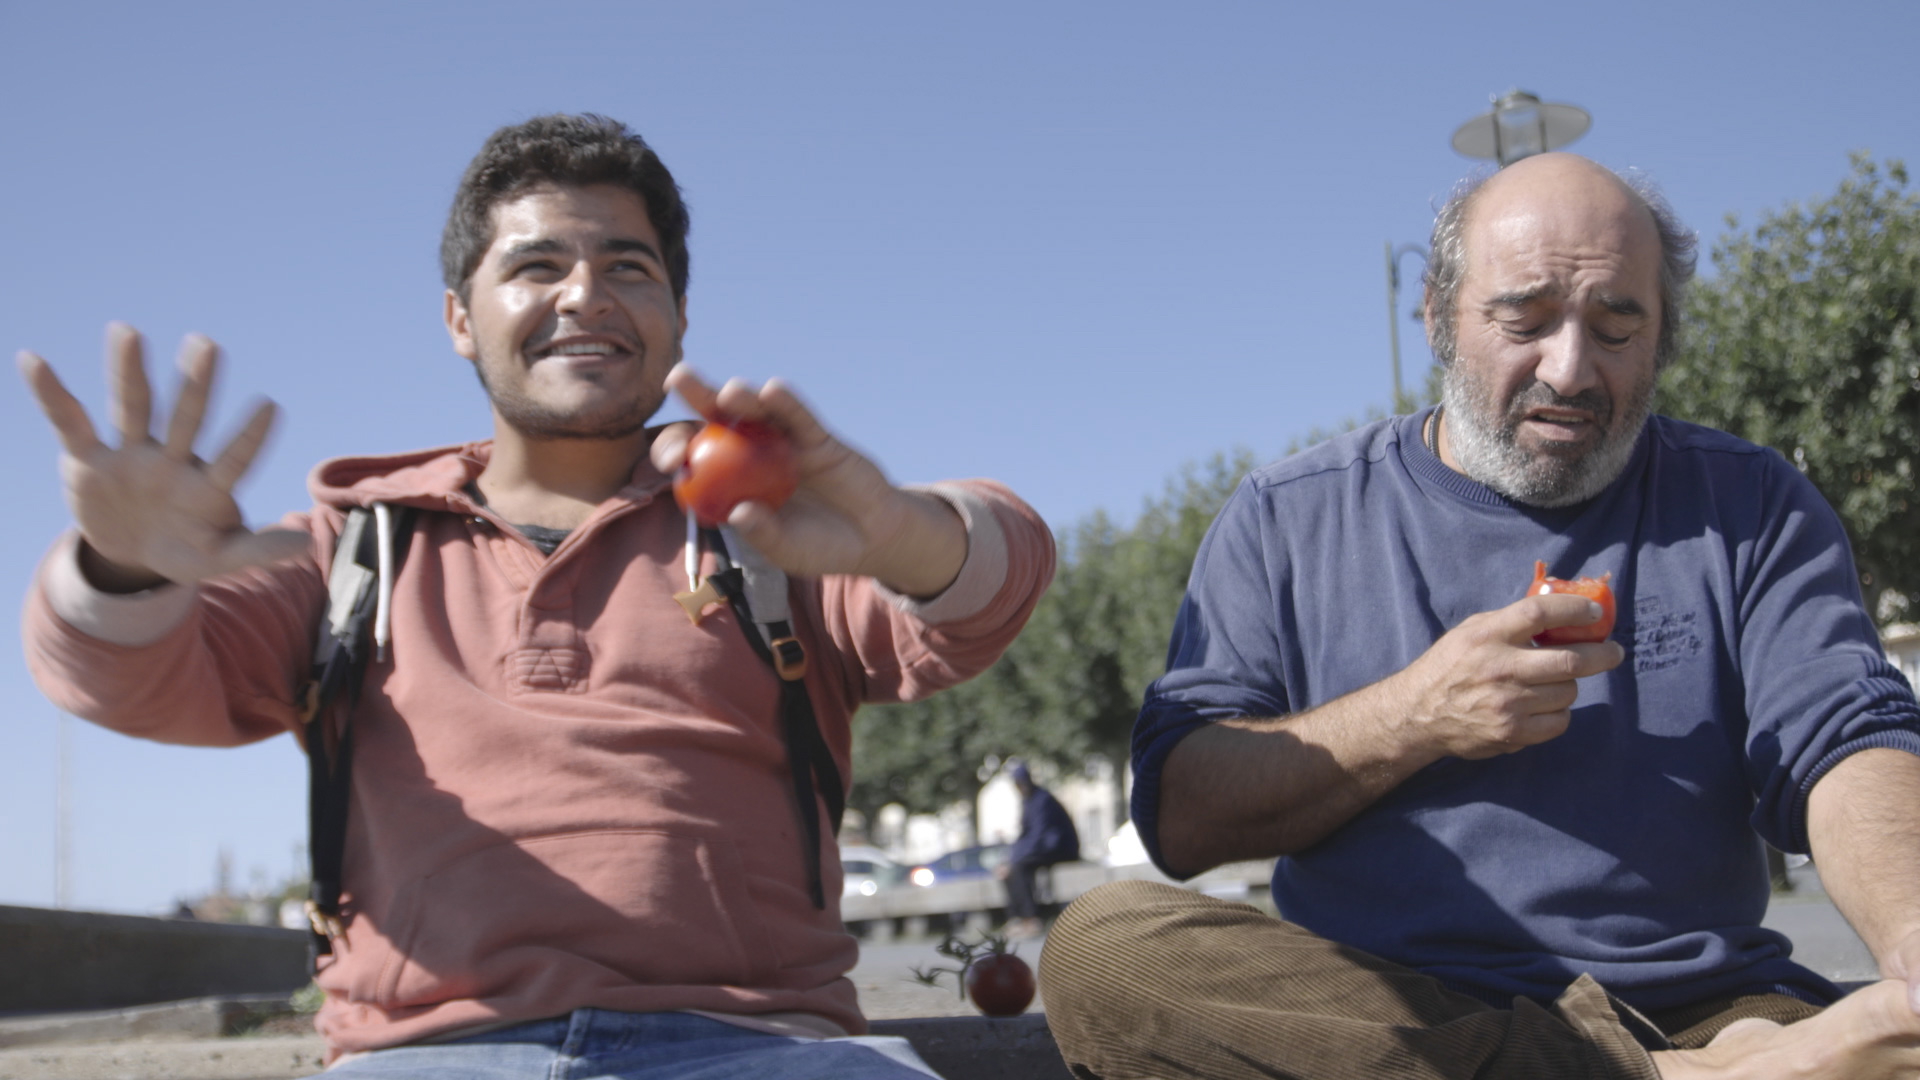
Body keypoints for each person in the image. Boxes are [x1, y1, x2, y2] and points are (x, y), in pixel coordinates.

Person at [19, 114, 1054, 1079]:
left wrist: (898, 531)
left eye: (628, 267)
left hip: (761, 1048)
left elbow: (989, 588)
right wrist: (127, 567)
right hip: (428, 1056)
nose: (584, 296)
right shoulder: (351, 547)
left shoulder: (771, 534)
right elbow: (127, 681)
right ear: (460, 318)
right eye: (536, 265)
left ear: (679, 316)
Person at [1036, 153, 1920, 1080]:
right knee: (1104, 949)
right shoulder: (1286, 517)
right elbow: (1180, 817)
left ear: (1663, 338)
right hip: (1385, 1006)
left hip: (1702, 1007)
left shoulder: (1752, 504)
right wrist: (1416, 713)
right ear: (1436, 316)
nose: (1570, 369)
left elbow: (1848, 738)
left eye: (1618, 327)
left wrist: (1907, 954)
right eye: (1524, 320)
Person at [993, 760, 1080, 938]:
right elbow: (1024, 834)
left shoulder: (1042, 800)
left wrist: (1015, 860)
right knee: (1008, 870)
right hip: (1042, 847)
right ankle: (1017, 917)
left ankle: (1031, 918)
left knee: (1019, 867)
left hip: (1059, 847)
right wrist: (1008, 860)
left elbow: (1038, 835)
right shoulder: (1028, 802)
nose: (1019, 787)